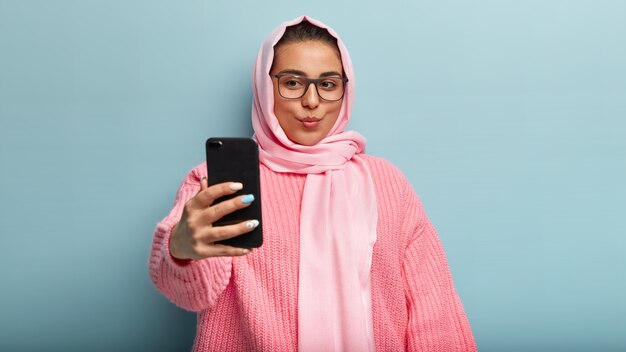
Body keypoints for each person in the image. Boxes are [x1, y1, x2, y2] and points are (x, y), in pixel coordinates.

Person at [149, 15, 476, 351]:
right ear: (264, 86)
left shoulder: (387, 183)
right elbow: (192, 292)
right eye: (292, 82)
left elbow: (435, 313)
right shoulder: (215, 181)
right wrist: (181, 250)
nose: (312, 101)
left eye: (329, 84)